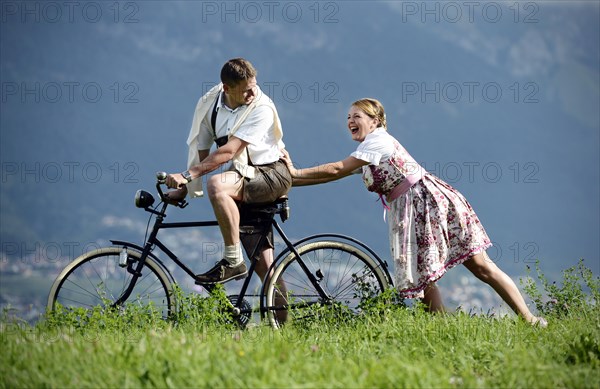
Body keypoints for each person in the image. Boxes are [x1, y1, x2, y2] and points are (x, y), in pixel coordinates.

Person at [281, 98, 547, 327]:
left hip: (428, 204)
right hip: (410, 209)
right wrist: (288, 179)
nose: (350, 120)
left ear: (375, 121)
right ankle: (441, 329)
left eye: (357, 116)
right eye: (348, 117)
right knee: (423, 275)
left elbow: (336, 169)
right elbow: (329, 176)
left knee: (480, 266)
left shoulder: (378, 142)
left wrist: (293, 173)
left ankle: (529, 319)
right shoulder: (367, 149)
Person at [165, 58, 292, 285]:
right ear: (227, 88)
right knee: (266, 270)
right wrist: (185, 188)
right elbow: (200, 149)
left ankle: (233, 261)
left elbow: (228, 152)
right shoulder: (209, 104)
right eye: (245, 91)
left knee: (217, 184)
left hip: (270, 174)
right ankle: (281, 321)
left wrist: (185, 176)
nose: (252, 93)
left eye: (254, 86)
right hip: (243, 178)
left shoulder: (261, 107)